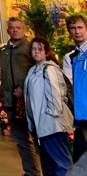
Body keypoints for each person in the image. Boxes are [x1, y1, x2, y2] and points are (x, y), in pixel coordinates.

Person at [25, 37, 73, 176]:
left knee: (62, 162)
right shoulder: (33, 70)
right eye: (34, 49)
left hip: (52, 125)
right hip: (42, 125)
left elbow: (55, 95)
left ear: (46, 52)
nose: (36, 52)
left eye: (40, 49)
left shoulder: (50, 69)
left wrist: (52, 117)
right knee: (51, 163)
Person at [1, 17, 43, 176]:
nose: (15, 30)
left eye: (18, 27)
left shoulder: (31, 48)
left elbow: (38, 71)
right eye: (12, 28)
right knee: (21, 141)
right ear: (8, 31)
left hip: (30, 102)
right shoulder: (6, 50)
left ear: (24, 30)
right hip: (12, 103)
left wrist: (24, 87)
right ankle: (31, 172)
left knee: (39, 140)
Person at [62, 14, 87, 160]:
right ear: (69, 31)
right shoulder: (71, 57)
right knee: (80, 154)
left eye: (80, 27)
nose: (77, 31)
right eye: (73, 28)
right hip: (81, 114)